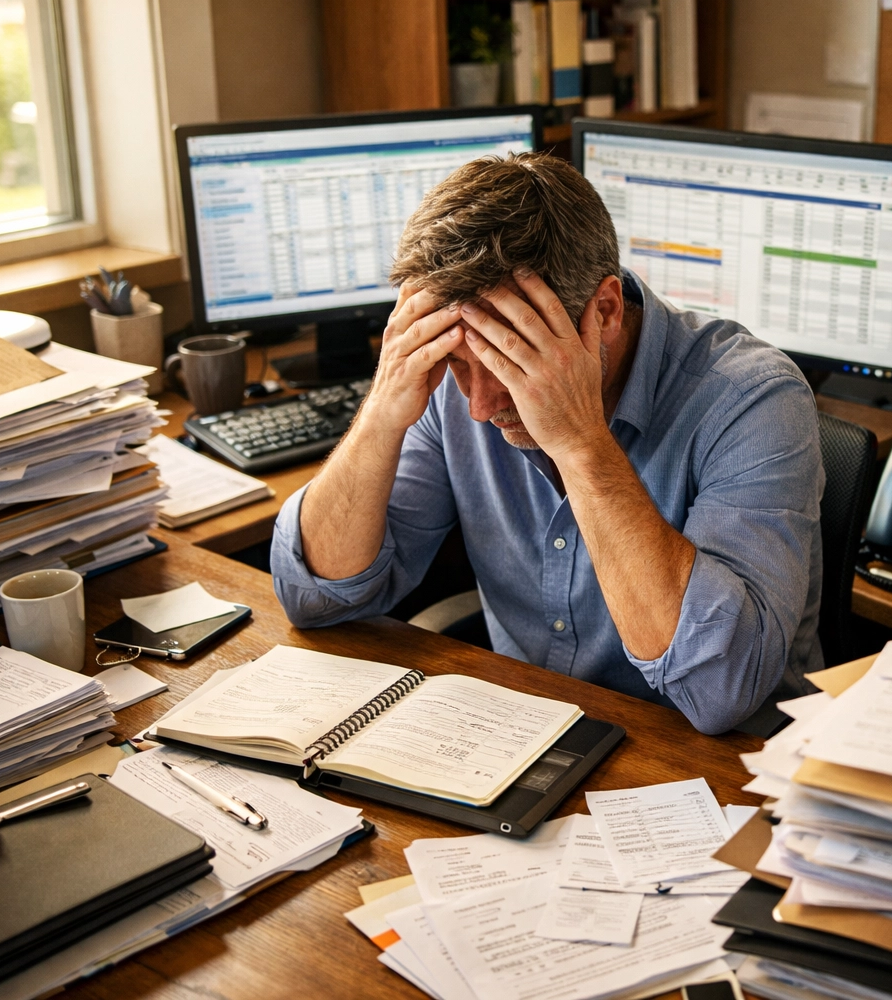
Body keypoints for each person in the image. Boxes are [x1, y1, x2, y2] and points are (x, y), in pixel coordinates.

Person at [271, 152, 824, 735]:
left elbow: (720, 692)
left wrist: (581, 443)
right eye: (461, 364)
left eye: (510, 362)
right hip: (524, 737)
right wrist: (383, 411)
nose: (479, 406)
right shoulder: (439, 383)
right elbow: (313, 599)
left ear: (605, 310)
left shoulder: (755, 400)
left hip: (716, 769)